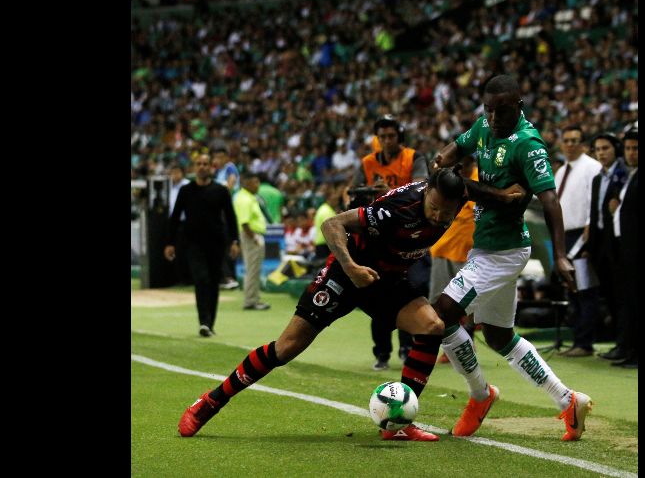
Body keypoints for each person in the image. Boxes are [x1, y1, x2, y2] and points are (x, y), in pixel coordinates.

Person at [177, 168, 523, 441]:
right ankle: (210, 402)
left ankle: (396, 423)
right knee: (285, 349)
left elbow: (469, 187)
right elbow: (333, 224)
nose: (437, 218)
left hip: (385, 281)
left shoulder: (454, 196)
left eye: (445, 215)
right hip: (346, 275)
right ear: (426, 193)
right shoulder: (397, 209)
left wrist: (503, 197)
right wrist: (351, 267)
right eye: (433, 209)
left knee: (431, 326)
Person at [432, 74, 592, 442]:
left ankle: (480, 395)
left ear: (518, 106)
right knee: (499, 335)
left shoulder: (528, 144)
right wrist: (444, 158)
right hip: (487, 246)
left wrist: (562, 256)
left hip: (503, 252)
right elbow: (458, 147)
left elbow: (550, 201)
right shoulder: (484, 126)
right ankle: (568, 401)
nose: (492, 118)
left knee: (441, 314)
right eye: (487, 110)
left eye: (501, 111)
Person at [352, 115, 431, 370]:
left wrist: (389, 192)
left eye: (391, 136)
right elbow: (352, 194)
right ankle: (382, 352)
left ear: (400, 136)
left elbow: (422, 185)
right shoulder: (367, 162)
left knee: (414, 288)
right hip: (379, 235)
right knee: (378, 291)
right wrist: (366, 193)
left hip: (410, 234)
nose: (386, 141)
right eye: (382, 137)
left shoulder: (413, 157)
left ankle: (408, 346)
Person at [165, 154, 240, 337]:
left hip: (216, 244)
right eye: (199, 164)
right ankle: (203, 322)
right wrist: (169, 243)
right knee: (201, 279)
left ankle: (209, 323)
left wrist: (234, 241)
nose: (202, 167)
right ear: (194, 167)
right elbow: (175, 217)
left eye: (205, 164)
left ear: (211, 167)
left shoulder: (221, 191)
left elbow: (230, 217)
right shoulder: (186, 190)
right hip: (192, 244)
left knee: (213, 283)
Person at [551, 125, 602, 357]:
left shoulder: (592, 167)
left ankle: (585, 343)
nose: (570, 145)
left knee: (585, 290)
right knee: (572, 290)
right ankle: (577, 340)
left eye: (575, 141)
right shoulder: (561, 171)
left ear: (583, 144)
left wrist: (590, 227)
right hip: (564, 235)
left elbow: (597, 199)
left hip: (583, 234)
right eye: (567, 140)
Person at [429, 154, 479, 364]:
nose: (463, 166)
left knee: (468, 307)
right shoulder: (447, 180)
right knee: (437, 302)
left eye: (467, 162)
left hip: (468, 252)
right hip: (442, 249)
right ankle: (444, 348)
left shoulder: (481, 181)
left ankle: (467, 345)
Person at [583, 133, 628, 355]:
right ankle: (619, 343)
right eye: (597, 149)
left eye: (605, 148)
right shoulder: (598, 178)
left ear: (616, 149)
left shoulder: (624, 174)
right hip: (600, 243)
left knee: (622, 296)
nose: (601, 153)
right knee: (609, 294)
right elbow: (595, 211)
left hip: (619, 243)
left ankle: (625, 344)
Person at [609, 128, 638, 368]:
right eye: (628, 148)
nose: (631, 153)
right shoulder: (631, 176)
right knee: (630, 301)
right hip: (627, 250)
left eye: (635, 148)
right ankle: (630, 349)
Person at [233, 172, 270, 311]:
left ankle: (253, 298)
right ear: (247, 183)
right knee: (253, 269)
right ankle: (250, 301)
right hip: (251, 235)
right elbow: (244, 223)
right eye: (255, 182)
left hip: (252, 235)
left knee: (254, 268)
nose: (257, 185)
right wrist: (255, 238)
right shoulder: (244, 199)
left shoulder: (248, 197)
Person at [213, 147, 241, 290]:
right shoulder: (217, 172)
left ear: (226, 157)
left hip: (230, 211)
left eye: (220, 157)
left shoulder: (230, 168)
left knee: (230, 242)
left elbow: (230, 185)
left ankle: (231, 277)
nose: (218, 160)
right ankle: (224, 277)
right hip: (221, 212)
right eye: (216, 157)